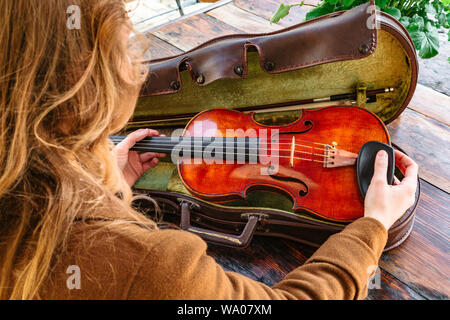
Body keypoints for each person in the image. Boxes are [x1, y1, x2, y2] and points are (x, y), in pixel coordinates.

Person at [0, 0, 418, 300]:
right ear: (87, 87)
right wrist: (373, 226)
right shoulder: (152, 266)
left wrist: (109, 194)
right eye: (127, 47)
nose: (139, 61)